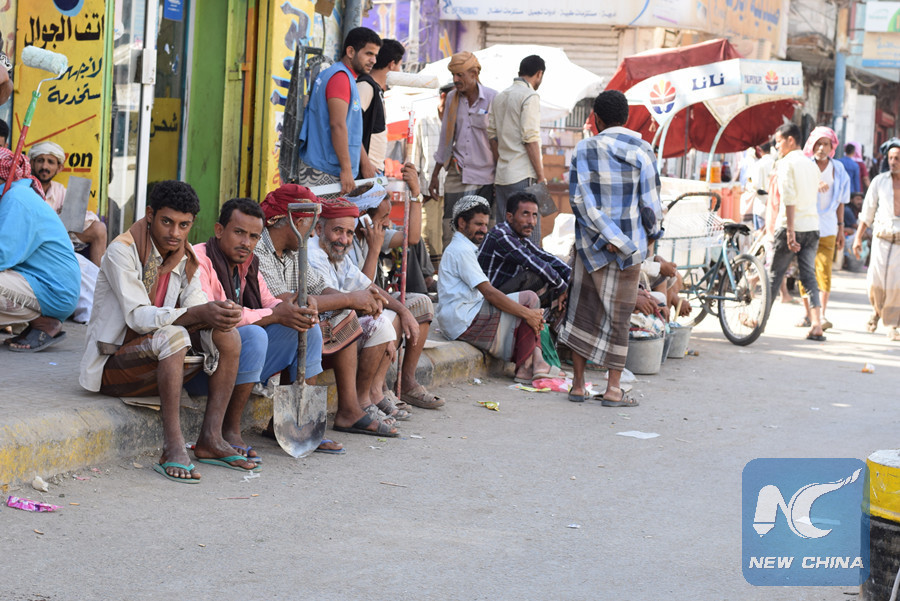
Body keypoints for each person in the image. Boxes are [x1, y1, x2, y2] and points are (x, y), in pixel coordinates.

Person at [80, 180, 257, 483]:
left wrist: (216, 313)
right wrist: (196, 314)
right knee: (174, 335)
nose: (175, 232)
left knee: (227, 334)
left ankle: (210, 438)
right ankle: (173, 447)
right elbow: (138, 317)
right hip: (112, 363)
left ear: (192, 224)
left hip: (154, 359)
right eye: (167, 222)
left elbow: (196, 305)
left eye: (183, 225)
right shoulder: (121, 251)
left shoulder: (187, 259)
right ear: (150, 215)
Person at [254, 184, 399, 436]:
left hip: (279, 333)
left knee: (342, 314)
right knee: (307, 323)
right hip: (258, 334)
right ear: (296, 222)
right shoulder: (259, 249)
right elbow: (285, 304)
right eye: (310, 225)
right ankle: (293, 423)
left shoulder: (293, 250)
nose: (312, 233)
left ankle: (345, 411)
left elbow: (319, 288)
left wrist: (356, 300)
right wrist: (351, 299)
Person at [192, 198, 330, 460]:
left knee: (306, 326)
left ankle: (296, 422)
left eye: (254, 236)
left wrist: (296, 308)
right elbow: (218, 315)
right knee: (254, 334)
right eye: (239, 233)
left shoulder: (249, 263)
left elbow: (270, 302)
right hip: (203, 366)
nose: (246, 242)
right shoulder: (199, 259)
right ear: (219, 230)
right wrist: (275, 314)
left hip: (234, 363)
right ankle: (230, 430)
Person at [557, 90, 663, 407]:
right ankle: (613, 389)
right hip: (629, 248)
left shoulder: (583, 148)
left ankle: (578, 385)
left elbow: (579, 201)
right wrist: (648, 236)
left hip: (591, 245)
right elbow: (651, 205)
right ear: (626, 118)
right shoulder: (643, 149)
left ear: (597, 120)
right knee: (619, 318)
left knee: (583, 312)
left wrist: (606, 235)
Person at [347, 166, 442, 410]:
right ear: (363, 217)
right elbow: (364, 289)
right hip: (355, 306)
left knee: (422, 303)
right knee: (396, 315)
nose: (388, 223)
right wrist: (375, 249)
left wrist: (416, 194)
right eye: (383, 218)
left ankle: (407, 382)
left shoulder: (377, 231)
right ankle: (378, 390)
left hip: (372, 300)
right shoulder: (348, 239)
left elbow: (412, 238)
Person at [437, 195, 558, 382]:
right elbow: (489, 293)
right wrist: (528, 314)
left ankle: (535, 362)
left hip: (466, 315)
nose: (484, 230)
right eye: (478, 224)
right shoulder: (461, 250)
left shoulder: (465, 247)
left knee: (528, 304)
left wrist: (529, 315)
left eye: (486, 225)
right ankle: (528, 366)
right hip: (463, 319)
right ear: (461, 223)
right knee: (529, 300)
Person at [0, 148, 79, 352]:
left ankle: (44, 322)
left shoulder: (16, 199)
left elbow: (2, 255)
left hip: (52, 291)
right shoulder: (14, 195)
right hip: (38, 283)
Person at [298, 27, 381, 194]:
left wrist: (365, 162)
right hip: (324, 169)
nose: (373, 60)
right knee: (325, 212)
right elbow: (337, 125)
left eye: (375, 55)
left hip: (329, 167)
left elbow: (349, 129)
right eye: (368, 54)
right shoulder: (340, 78)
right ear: (350, 52)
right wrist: (346, 169)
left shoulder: (343, 76)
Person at [429, 52, 497, 252]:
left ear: (474, 74)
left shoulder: (493, 98)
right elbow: (446, 138)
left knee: (481, 232)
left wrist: (499, 177)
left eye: (460, 75)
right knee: (451, 229)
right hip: (457, 173)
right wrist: (435, 174)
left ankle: (478, 271)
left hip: (485, 176)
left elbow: (499, 140)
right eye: (453, 75)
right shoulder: (452, 98)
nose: (456, 79)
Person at [766, 123, 827, 341]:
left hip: (791, 226)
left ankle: (759, 321)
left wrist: (790, 232)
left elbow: (789, 198)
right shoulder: (811, 165)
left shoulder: (786, 163)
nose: (776, 146)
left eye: (779, 141)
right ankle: (817, 324)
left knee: (775, 275)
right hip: (812, 226)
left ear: (790, 140)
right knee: (809, 276)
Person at [488, 54, 546, 245]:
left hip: (503, 176)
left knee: (505, 233)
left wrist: (501, 163)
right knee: (529, 232)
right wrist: (541, 176)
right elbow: (530, 139)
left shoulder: (500, 96)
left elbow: (492, 136)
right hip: (523, 175)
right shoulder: (530, 95)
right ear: (539, 74)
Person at [795, 127, 850, 331]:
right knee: (805, 271)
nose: (821, 148)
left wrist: (841, 228)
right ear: (812, 145)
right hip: (805, 226)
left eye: (825, 144)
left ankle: (822, 314)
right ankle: (808, 314)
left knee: (824, 271)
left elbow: (842, 200)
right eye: (818, 144)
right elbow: (795, 192)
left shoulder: (839, 169)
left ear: (831, 147)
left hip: (828, 227)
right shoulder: (805, 166)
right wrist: (813, 184)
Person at [477, 191, 570, 308]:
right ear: (510, 217)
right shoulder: (501, 236)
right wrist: (563, 287)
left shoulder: (519, 237)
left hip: (501, 294)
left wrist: (571, 278)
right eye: (525, 214)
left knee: (553, 271)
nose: (531, 221)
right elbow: (534, 262)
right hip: (488, 300)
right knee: (534, 276)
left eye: (534, 215)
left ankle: (557, 305)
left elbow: (545, 256)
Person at [28, 141, 108, 267]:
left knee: (99, 229)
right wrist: (57, 218)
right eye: (40, 161)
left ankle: (99, 277)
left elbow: (88, 218)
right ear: (32, 163)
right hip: (31, 239)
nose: (44, 166)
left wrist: (67, 215)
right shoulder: (24, 187)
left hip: (58, 239)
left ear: (59, 168)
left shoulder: (60, 190)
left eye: (50, 162)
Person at [852, 140, 900, 340]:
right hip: (881, 238)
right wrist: (858, 238)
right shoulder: (879, 182)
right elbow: (867, 212)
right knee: (875, 281)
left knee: (896, 285)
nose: (893, 162)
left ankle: (892, 324)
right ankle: (876, 311)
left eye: (897, 158)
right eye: (891, 158)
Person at [415, 83, 454, 266]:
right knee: (429, 232)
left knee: (449, 234)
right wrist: (416, 192)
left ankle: (444, 271)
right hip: (428, 190)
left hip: (452, 188)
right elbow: (415, 158)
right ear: (444, 97)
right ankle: (430, 272)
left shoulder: (458, 122)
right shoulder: (424, 121)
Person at [358, 38, 404, 175]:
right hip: (365, 170)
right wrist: (365, 164)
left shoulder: (377, 90)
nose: (400, 71)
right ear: (392, 64)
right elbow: (350, 128)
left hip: (375, 169)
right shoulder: (365, 87)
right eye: (400, 66)